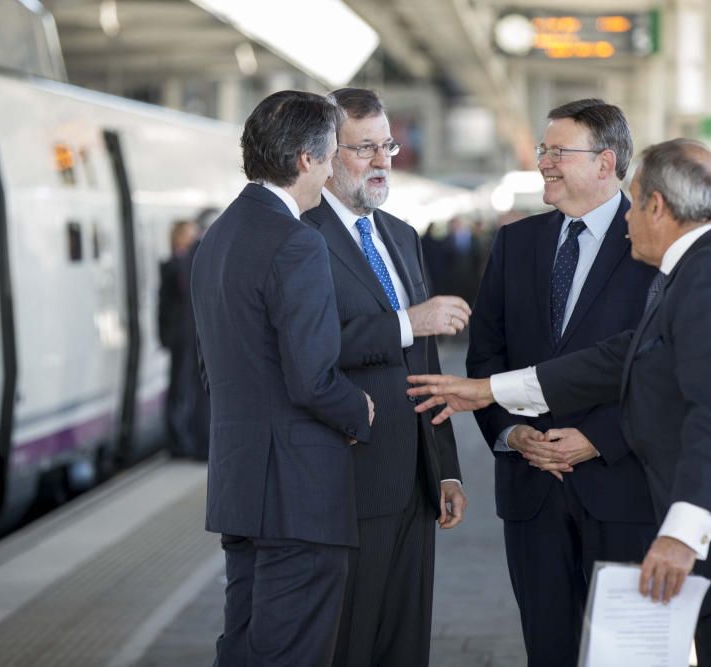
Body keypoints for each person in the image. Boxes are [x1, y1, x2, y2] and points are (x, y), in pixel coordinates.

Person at [407, 139, 711, 667]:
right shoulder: (696, 270)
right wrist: (487, 391)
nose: (627, 220)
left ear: (657, 206)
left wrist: (681, 536)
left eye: (634, 205)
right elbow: (617, 358)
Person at [465, 99, 656, 666]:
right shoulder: (515, 244)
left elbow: (663, 369)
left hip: (623, 487)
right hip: (533, 493)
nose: (544, 162)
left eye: (557, 152)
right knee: (548, 650)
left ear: (605, 162)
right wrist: (512, 434)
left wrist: (602, 438)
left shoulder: (651, 245)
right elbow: (486, 356)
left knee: (628, 654)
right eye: (543, 151)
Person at [190, 91, 375, 667]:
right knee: (293, 651)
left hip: (242, 487)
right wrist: (359, 408)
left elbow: (217, 364)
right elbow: (312, 378)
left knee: (245, 647)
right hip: (298, 496)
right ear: (304, 160)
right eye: (328, 157)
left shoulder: (217, 238)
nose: (329, 171)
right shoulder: (297, 241)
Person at [301, 87, 467, 667]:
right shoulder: (302, 237)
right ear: (322, 155)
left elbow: (426, 365)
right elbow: (307, 351)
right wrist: (405, 321)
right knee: (349, 641)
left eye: (387, 145)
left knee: (405, 643)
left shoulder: (400, 235)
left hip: (414, 482)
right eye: (363, 148)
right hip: (347, 476)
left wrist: (445, 469)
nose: (381, 161)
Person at [157, 219, 199, 458]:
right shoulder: (175, 264)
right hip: (180, 337)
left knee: (185, 388)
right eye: (190, 234)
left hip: (185, 335)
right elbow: (167, 305)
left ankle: (184, 438)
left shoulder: (180, 263)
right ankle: (178, 441)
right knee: (179, 388)